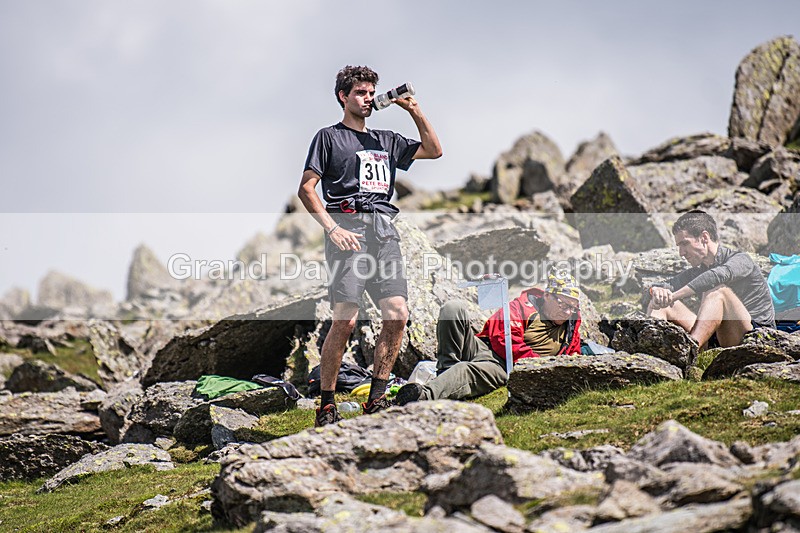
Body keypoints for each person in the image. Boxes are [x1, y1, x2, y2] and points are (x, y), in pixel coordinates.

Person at [298, 65, 442, 427]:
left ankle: (376, 398)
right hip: (347, 229)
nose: (366, 98)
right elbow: (306, 188)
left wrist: (414, 110)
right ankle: (327, 404)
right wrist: (331, 229)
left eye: (369, 92)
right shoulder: (329, 137)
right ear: (343, 97)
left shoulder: (388, 139)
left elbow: (434, 151)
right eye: (359, 93)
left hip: (385, 233)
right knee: (344, 320)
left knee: (397, 313)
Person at [395, 269, 582, 405]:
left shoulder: (571, 325)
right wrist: (533, 360)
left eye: (572, 307)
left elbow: (573, 357)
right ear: (547, 296)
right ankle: (445, 374)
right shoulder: (521, 307)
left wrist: (536, 367)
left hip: (506, 367)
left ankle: (422, 397)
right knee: (453, 309)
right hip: (488, 348)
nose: (567, 311)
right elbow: (502, 337)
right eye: (563, 304)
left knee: (464, 370)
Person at [647, 210, 775, 349]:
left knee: (718, 292)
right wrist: (657, 291)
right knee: (659, 303)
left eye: (685, 244)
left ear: (704, 237)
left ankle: (690, 351)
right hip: (716, 338)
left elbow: (716, 276)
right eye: (679, 246)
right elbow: (659, 286)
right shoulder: (698, 270)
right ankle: (651, 354)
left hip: (755, 337)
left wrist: (673, 296)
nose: (681, 253)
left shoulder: (741, 260)